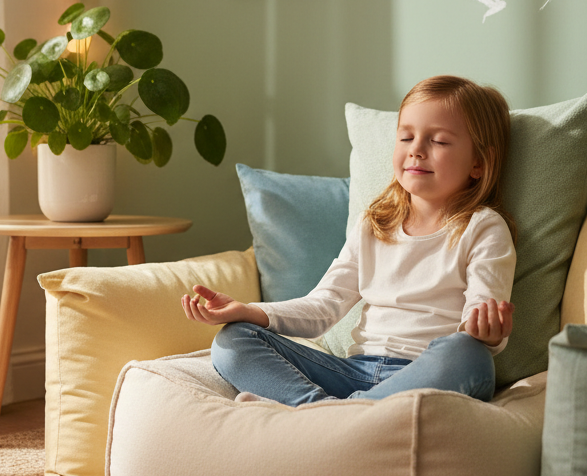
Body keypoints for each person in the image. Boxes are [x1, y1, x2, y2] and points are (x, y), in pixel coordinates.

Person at [181, 75, 517, 406]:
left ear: (478, 163)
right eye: (406, 137)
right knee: (233, 339)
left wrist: (486, 334)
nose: (416, 150)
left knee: (468, 355)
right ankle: (327, 411)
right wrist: (248, 311)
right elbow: (323, 307)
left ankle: (336, 416)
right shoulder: (374, 225)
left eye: (439, 141)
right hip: (354, 372)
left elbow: (482, 311)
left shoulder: (483, 228)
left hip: (427, 371)